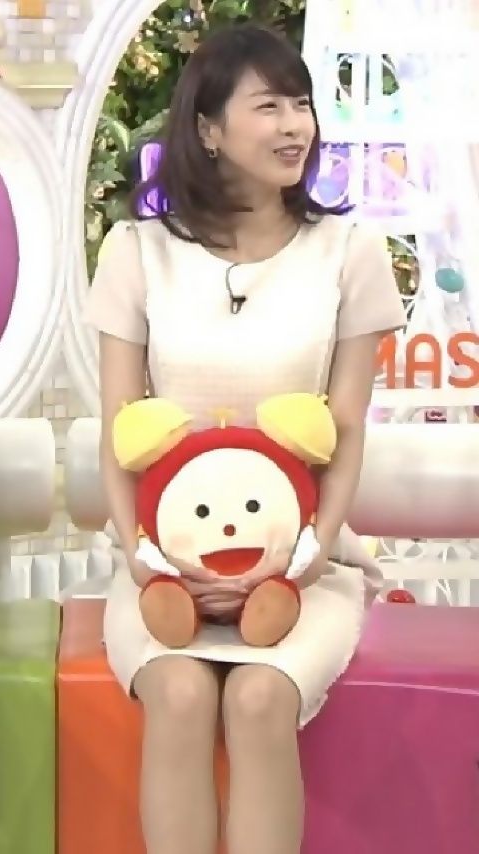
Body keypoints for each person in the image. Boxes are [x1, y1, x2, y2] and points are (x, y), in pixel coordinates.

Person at [84, 22, 406, 854]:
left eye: (302, 104)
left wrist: (308, 553)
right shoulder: (136, 253)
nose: (295, 126)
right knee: (181, 694)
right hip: (166, 563)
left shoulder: (350, 252)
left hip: (303, 564)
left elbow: (345, 432)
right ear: (208, 129)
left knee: (261, 698)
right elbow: (120, 430)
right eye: (269, 107)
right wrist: (143, 558)